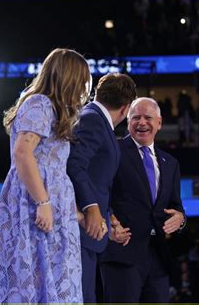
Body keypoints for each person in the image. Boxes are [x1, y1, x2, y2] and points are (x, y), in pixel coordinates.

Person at [0, 48, 91, 303]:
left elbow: (52, 168)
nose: (84, 88)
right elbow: (23, 154)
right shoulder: (40, 103)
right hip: (34, 206)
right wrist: (43, 203)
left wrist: (75, 214)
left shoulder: (52, 109)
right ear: (69, 78)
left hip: (51, 209)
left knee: (53, 281)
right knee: (34, 281)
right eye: (82, 80)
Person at [98, 97, 186, 302]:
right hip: (122, 255)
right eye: (136, 117)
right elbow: (100, 194)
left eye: (148, 117)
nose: (142, 122)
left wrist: (180, 219)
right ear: (128, 122)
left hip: (159, 258)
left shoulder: (171, 163)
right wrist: (109, 223)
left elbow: (176, 207)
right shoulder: (113, 152)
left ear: (159, 123)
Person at [66, 72, 137, 302]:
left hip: (90, 231)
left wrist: (110, 222)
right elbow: (75, 165)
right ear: (126, 109)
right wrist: (91, 208)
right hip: (79, 229)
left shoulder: (96, 119)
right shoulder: (92, 119)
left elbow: (97, 180)